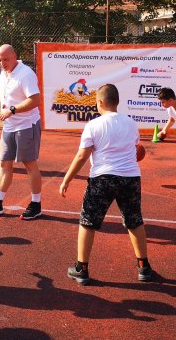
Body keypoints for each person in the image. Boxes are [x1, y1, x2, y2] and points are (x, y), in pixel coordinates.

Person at [59, 84, 153, 285]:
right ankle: (144, 267)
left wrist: (67, 179)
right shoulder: (130, 123)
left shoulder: (93, 125)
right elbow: (137, 148)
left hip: (102, 178)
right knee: (134, 221)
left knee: (87, 222)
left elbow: (82, 155)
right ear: (117, 102)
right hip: (130, 177)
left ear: (99, 103)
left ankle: (81, 268)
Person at [0, 44, 43, 220]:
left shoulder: (25, 74)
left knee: (29, 164)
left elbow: (35, 100)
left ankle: (36, 205)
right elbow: (4, 96)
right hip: (9, 126)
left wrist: (12, 110)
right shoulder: (4, 75)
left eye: (6, 59)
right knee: (4, 164)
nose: (2, 63)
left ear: (14, 57)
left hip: (26, 125)